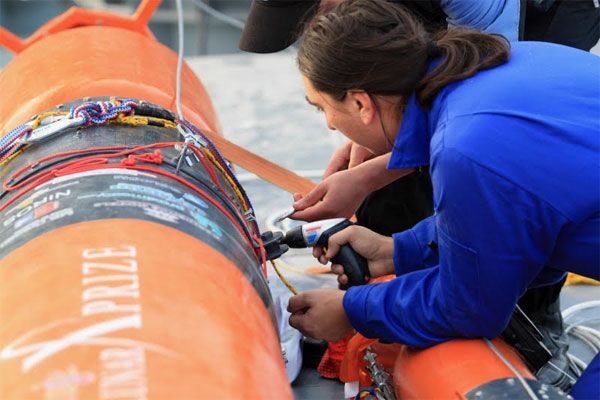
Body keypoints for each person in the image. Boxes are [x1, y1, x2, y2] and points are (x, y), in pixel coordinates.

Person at [284, 0, 600, 397]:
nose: (330, 124)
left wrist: (352, 312)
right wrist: (398, 250)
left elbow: (470, 309)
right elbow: (515, 211)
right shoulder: (502, 61)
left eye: (323, 109)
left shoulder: (465, 148)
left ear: (362, 104)